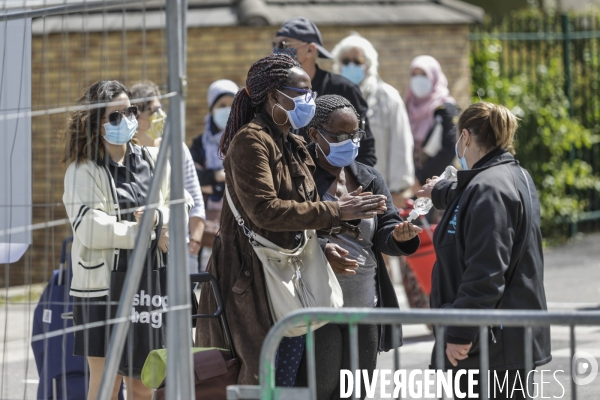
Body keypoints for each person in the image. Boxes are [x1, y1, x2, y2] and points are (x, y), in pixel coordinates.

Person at [195, 54, 388, 386]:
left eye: (311, 92)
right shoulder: (251, 141)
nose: (309, 101)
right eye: (301, 93)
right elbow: (266, 211)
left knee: (288, 384)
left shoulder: (291, 142)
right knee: (260, 384)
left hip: (289, 282)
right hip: (252, 284)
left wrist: (323, 246)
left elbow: (302, 211)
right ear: (273, 96)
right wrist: (339, 211)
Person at [62, 80, 191, 399]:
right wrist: (147, 232)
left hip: (150, 283)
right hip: (101, 289)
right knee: (105, 380)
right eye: (115, 116)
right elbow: (90, 228)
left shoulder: (152, 159)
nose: (127, 119)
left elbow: (182, 203)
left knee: (143, 382)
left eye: (130, 111)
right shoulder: (82, 170)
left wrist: (159, 218)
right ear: (95, 123)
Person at [417, 102, 551, 399]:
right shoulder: (508, 175)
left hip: (491, 348)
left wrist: (460, 333)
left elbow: (486, 270)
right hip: (503, 341)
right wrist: (440, 191)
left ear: (465, 137)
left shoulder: (488, 188)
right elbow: (470, 198)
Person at [294, 95, 421, 398]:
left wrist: (399, 236)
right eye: (341, 136)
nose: (350, 143)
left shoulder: (368, 177)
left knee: (356, 391)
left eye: (355, 135)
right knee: (321, 388)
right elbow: (289, 227)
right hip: (318, 305)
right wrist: (322, 248)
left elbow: (385, 226)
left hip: (365, 305)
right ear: (315, 134)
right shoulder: (300, 175)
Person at [273, 17, 377, 167]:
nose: (277, 50)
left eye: (283, 44)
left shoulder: (343, 89)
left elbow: (365, 150)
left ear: (310, 49)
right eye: (274, 45)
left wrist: (347, 185)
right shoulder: (273, 92)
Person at [130, 81, 206, 273]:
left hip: (179, 248)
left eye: (160, 109)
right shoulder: (129, 154)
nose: (160, 116)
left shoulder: (176, 148)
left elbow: (194, 197)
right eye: (153, 111)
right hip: (142, 248)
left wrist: (195, 240)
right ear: (136, 115)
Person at [332, 34, 414, 199]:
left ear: (369, 65)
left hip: (380, 191)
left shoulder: (387, 97)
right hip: (339, 193)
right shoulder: (332, 96)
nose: (351, 66)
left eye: (357, 61)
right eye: (346, 62)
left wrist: (398, 190)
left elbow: (401, 144)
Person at [405, 55, 458, 195]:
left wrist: (421, 178)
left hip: (440, 183)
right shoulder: (407, 107)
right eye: (414, 75)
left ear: (434, 76)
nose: (418, 79)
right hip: (411, 183)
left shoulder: (447, 108)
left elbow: (451, 147)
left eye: (423, 74)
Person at [190, 79, 238, 205]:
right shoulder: (200, 143)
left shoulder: (246, 141)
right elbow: (192, 177)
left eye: (232, 105)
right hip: (206, 216)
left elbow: (248, 180)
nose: (228, 110)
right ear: (212, 109)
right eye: (222, 106)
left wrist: (214, 188)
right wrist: (217, 175)